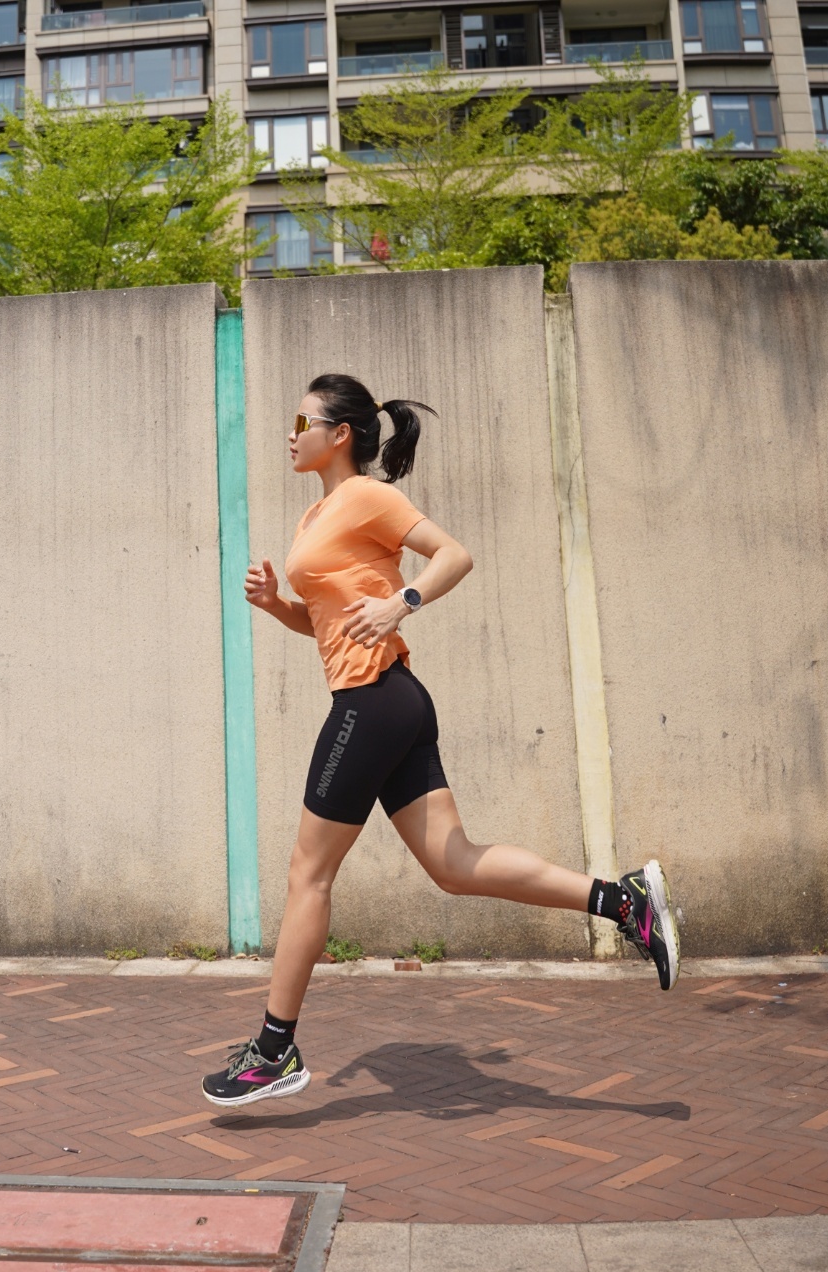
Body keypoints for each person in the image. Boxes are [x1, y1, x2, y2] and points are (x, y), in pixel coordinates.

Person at [202, 373, 679, 1109]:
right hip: (388, 701)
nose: (288, 431)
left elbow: (452, 554)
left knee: (308, 873)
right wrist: (278, 607)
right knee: (453, 865)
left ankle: (274, 1048)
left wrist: (403, 601)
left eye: (301, 419)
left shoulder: (367, 495)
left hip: (373, 703)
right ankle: (621, 901)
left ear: (342, 436)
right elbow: (332, 625)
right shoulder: (315, 514)